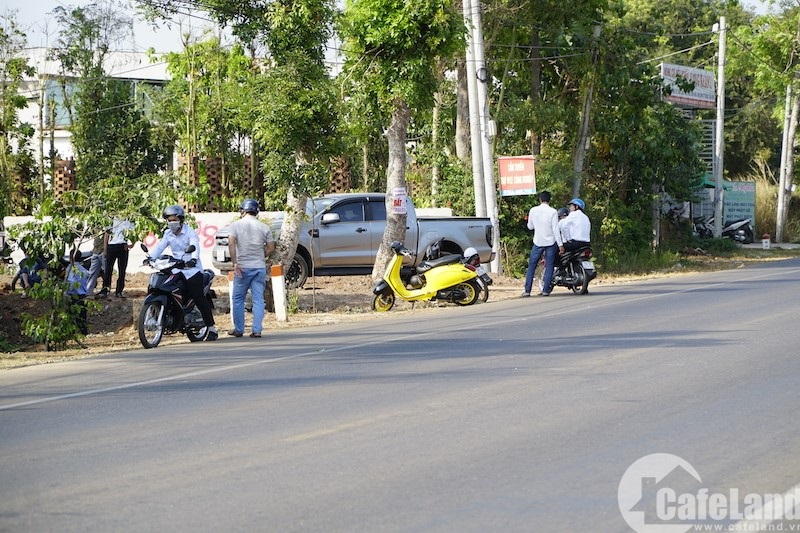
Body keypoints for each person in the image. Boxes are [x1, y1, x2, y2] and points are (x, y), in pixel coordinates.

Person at [149, 205, 218, 341]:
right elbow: (160, 247)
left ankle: (211, 328)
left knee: (198, 296)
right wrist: (150, 258)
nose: (171, 222)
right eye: (169, 220)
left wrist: (193, 259)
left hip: (192, 269)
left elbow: (195, 247)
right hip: (176, 267)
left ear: (180, 220)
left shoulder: (189, 232)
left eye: (174, 219)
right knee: (157, 286)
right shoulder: (167, 234)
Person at [227, 199, 276, 338]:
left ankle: (239, 329)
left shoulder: (235, 226)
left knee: (237, 299)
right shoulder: (264, 227)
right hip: (259, 267)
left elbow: (231, 244)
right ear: (257, 212)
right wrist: (262, 255)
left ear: (242, 211)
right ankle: (257, 330)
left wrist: (235, 263)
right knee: (258, 299)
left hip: (242, 268)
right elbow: (271, 248)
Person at [522, 190, 563, 297]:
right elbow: (555, 229)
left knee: (532, 266)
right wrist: (560, 245)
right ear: (549, 200)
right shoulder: (553, 212)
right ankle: (545, 290)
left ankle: (527, 291)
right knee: (549, 265)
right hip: (550, 243)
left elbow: (530, 226)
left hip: (538, 242)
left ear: (540, 199)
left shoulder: (533, 210)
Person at [100, 217, 134, 298]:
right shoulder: (111, 220)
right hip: (112, 246)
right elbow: (107, 234)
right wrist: (105, 249)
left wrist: (132, 245)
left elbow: (134, 234)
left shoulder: (128, 221)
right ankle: (105, 290)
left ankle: (119, 291)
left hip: (123, 246)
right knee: (108, 269)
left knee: (122, 270)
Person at [65, 250, 90, 334]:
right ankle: (84, 333)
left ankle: (72, 333)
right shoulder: (84, 270)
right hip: (83, 295)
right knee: (82, 317)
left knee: (71, 317)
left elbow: (71, 283)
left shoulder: (70, 269)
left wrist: (66, 293)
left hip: (73, 295)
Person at [86, 233, 107, 298]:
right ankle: (88, 292)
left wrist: (105, 250)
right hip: (95, 251)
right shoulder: (95, 225)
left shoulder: (106, 226)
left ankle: (105, 291)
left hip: (103, 251)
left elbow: (107, 236)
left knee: (106, 273)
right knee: (92, 273)